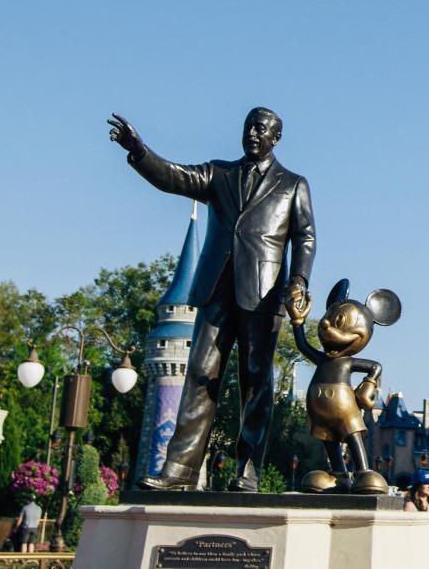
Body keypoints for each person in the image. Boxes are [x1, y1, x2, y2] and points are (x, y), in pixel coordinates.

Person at [113, 108, 316, 493]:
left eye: (261, 129)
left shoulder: (293, 184)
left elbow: (304, 236)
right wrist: (139, 151)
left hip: (263, 293)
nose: (252, 134)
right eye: (248, 127)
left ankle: (248, 471)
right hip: (215, 290)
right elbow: (173, 176)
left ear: (276, 137)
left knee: (256, 384)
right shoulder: (218, 173)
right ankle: (179, 472)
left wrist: (299, 281)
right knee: (199, 377)